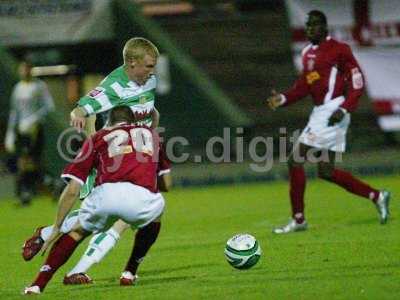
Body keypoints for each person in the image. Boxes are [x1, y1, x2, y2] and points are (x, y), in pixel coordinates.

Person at [266, 10, 390, 234]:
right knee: (326, 171)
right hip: (320, 112)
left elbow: (357, 80)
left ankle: (299, 219)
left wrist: (345, 108)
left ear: (324, 28)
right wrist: (283, 98)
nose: (310, 28)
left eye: (315, 25)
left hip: (334, 109)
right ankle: (377, 196)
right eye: (308, 25)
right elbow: (304, 86)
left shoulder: (339, 49)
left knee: (295, 159)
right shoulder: (307, 53)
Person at [23, 106, 169, 295]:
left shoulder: (100, 136)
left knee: (85, 227)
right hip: (113, 180)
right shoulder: (131, 130)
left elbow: (72, 188)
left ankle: (43, 273)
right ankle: (124, 271)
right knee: (122, 220)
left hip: (102, 186)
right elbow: (150, 131)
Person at [63, 36, 162, 283]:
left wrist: (153, 139)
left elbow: (152, 112)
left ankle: (49, 240)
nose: (152, 72)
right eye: (148, 66)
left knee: (108, 220)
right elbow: (85, 107)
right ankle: (78, 268)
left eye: (154, 66)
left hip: (137, 161)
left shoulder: (149, 82)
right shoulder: (115, 86)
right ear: (131, 63)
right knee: (117, 219)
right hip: (113, 162)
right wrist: (78, 115)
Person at [4, 60, 54, 205]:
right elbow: (14, 112)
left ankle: (46, 184)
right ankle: (28, 191)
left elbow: (48, 107)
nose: (24, 72)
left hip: (35, 129)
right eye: (22, 69)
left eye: (26, 69)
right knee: (22, 162)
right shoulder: (18, 88)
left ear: (30, 70)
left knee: (32, 162)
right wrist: (10, 133)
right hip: (21, 130)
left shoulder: (39, 86)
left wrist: (34, 119)